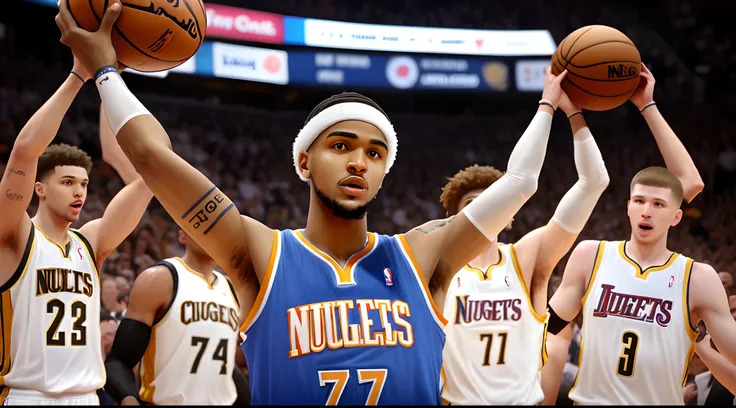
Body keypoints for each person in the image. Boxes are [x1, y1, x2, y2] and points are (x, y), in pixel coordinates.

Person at [54, 1, 567, 403]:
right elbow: (148, 154)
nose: (359, 162)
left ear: (384, 172)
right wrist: (104, 71)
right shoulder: (259, 252)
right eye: (340, 146)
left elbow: (521, 180)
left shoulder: (423, 255)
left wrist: (548, 104)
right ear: (304, 161)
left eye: (375, 153)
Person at [546, 64, 736, 405]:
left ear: (676, 216)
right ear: (628, 206)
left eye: (658, 204)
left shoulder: (698, 278)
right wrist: (566, 110)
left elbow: (689, 183)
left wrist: (647, 105)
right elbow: (546, 328)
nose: (647, 210)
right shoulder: (591, 255)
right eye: (639, 201)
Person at [433, 92, 609, 405]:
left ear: (508, 214)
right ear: (457, 217)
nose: (485, 212)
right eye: (474, 206)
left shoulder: (527, 259)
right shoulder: (438, 268)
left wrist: (572, 113)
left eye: (493, 203)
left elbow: (594, 181)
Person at [0, 54, 152, 404]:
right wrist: (79, 73)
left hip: (87, 395)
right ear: (39, 188)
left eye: (83, 183)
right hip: (29, 395)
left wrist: (108, 82)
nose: (79, 191)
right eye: (67, 182)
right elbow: (24, 151)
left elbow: (146, 179)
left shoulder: (90, 241)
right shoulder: (17, 234)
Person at [103, 229, 250, 405]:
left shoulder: (232, 289)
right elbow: (118, 361)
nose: (215, 235)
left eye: (220, 229)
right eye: (206, 227)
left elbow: (221, 364)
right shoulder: (160, 279)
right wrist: (129, 400)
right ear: (182, 235)